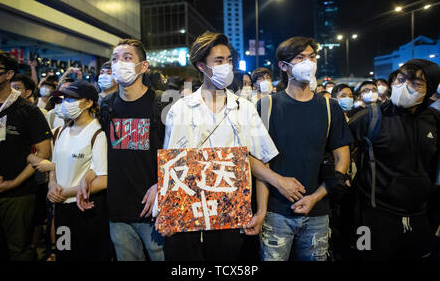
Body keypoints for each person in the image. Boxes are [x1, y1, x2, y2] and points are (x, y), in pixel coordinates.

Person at [156, 31, 306, 261]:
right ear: (201, 66)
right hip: (187, 218)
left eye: (228, 60)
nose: (226, 66)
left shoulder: (244, 108)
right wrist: (165, 211)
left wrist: (261, 210)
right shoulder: (180, 109)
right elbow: (173, 165)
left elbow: (260, 159)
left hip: (231, 216)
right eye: (218, 61)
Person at [258, 36, 353, 261]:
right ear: (283, 65)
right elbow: (256, 159)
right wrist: (274, 189)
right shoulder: (266, 105)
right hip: (276, 212)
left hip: (318, 212)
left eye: (312, 57)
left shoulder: (330, 108)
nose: (308, 63)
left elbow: (343, 160)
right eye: (300, 58)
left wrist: (315, 197)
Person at [348, 59, 440, 260]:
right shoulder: (369, 117)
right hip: (373, 217)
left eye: (416, 83)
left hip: (420, 216)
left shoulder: (435, 120)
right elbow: (338, 152)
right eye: (401, 78)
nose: (405, 86)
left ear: (430, 88)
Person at [99, 38, 165, 261]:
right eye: (115, 59)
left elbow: (176, 152)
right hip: (118, 210)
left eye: (127, 58)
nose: (119, 64)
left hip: (154, 210)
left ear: (143, 66)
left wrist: (161, 184)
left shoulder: (161, 104)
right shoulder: (106, 105)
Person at [0, 50, 52, 260]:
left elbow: (44, 151)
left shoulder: (27, 110)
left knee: (19, 251)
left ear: (9, 75)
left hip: (19, 195)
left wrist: (13, 183)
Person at [45, 80, 110, 261]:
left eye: (72, 99)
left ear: (89, 103)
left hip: (86, 209)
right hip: (61, 208)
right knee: (64, 252)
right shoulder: (62, 131)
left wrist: (65, 192)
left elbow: (103, 179)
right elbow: (54, 165)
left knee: (87, 255)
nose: (66, 103)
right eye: (64, 98)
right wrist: (52, 185)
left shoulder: (98, 134)